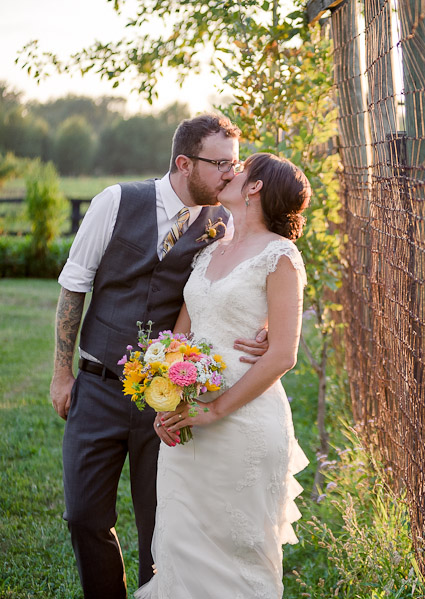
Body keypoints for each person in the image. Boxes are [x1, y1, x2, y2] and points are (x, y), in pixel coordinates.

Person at [49, 113, 270, 599]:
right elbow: (74, 286)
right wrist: (61, 374)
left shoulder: (224, 223)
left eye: (235, 164)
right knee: (83, 515)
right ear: (184, 162)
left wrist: (266, 322)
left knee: (161, 523)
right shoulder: (115, 201)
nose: (232, 175)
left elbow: (246, 280)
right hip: (100, 383)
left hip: (168, 400)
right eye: (221, 164)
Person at [134, 153, 311, 598]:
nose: (229, 173)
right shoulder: (211, 249)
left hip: (243, 421)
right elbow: (179, 339)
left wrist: (215, 410)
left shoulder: (280, 255)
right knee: (180, 546)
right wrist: (167, 402)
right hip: (188, 417)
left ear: (255, 187)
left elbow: (282, 354)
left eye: (240, 167)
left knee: (237, 557)